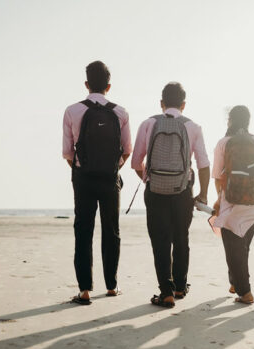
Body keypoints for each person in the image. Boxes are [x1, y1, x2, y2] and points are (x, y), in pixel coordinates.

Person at [131, 82, 210, 308]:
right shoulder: (193, 127)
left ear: (161, 103)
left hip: (155, 191)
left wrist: (150, 179)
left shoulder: (148, 123)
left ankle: (165, 292)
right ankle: (180, 287)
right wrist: (203, 194)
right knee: (181, 238)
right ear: (184, 104)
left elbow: (137, 162)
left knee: (160, 241)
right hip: (182, 191)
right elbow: (204, 164)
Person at [62, 61, 132, 305]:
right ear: (109, 86)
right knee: (111, 231)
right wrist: (112, 168)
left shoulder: (72, 111)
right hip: (110, 179)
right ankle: (112, 286)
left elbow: (67, 152)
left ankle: (84, 290)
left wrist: (82, 169)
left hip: (83, 178)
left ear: (86, 84)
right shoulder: (120, 112)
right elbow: (127, 151)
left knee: (83, 231)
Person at [211, 105, 254, 305]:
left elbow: (217, 177)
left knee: (233, 248)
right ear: (248, 122)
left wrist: (220, 200)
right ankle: (235, 283)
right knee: (242, 247)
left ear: (230, 121)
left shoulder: (223, 143)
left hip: (232, 203)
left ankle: (245, 292)